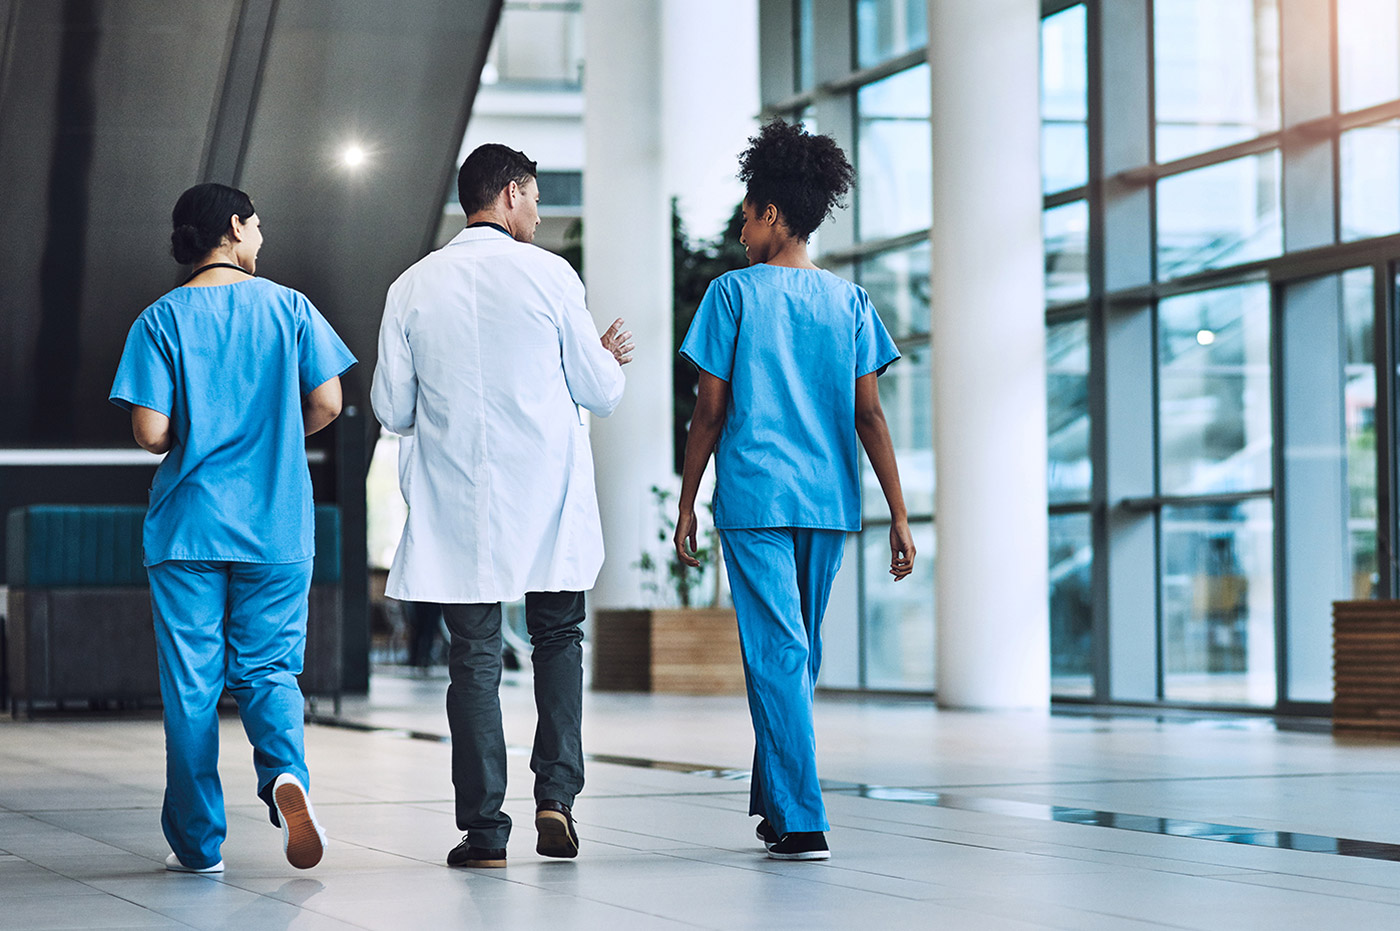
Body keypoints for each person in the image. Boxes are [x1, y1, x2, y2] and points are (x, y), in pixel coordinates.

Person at [371, 143, 632, 869]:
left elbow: (391, 406)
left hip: (462, 504)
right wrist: (604, 356)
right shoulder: (551, 276)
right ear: (511, 193)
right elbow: (600, 390)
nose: (540, 213)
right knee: (558, 639)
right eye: (538, 199)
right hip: (546, 499)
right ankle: (556, 796)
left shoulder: (412, 286)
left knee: (475, 659)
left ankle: (485, 831)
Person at [673, 120, 915, 861]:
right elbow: (868, 414)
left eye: (747, 216)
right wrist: (898, 515)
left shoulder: (731, 295)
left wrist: (686, 500)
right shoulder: (849, 304)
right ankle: (778, 804)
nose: (742, 231)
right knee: (796, 657)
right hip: (829, 502)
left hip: (754, 500)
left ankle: (804, 819)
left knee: (779, 655)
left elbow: (709, 411)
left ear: (773, 214)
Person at [109, 182, 356, 873]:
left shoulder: (159, 319)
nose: (262, 238)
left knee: (191, 686)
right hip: (276, 523)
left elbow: (151, 429)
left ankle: (197, 844)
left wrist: (197, 435)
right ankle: (286, 778)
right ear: (233, 227)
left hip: (187, 527)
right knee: (269, 668)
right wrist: (274, 431)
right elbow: (329, 402)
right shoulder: (291, 308)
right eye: (257, 225)